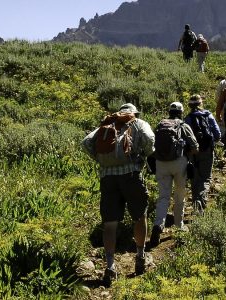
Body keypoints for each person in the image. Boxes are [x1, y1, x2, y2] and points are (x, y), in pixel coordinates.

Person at [81, 103, 155, 286]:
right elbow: (149, 138)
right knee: (139, 215)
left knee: (110, 223)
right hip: (131, 175)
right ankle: (140, 256)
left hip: (108, 178)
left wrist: (101, 160)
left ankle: (110, 266)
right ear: (133, 113)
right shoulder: (137, 123)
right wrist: (144, 155)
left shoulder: (108, 123)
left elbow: (86, 143)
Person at [150, 102, 198, 247]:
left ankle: (158, 225)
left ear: (169, 112)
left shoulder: (160, 125)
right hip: (179, 163)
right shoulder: (183, 125)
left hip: (161, 163)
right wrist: (187, 154)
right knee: (179, 195)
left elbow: (152, 144)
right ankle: (179, 226)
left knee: (163, 197)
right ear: (181, 112)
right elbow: (195, 146)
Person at [184, 95, 221, 214]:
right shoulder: (208, 115)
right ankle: (201, 201)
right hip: (207, 150)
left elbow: (184, 137)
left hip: (193, 152)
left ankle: (196, 202)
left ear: (189, 105)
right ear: (201, 103)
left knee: (195, 178)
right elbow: (217, 134)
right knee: (206, 178)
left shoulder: (188, 118)